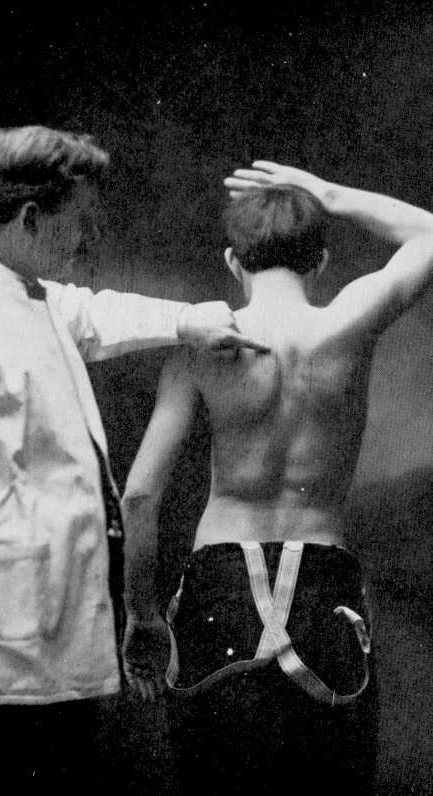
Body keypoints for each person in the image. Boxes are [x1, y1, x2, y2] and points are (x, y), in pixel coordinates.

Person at [0, 125, 267, 788]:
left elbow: (93, 315)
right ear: (30, 218)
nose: (91, 238)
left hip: (46, 652)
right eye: (81, 221)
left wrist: (187, 320)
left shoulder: (18, 286)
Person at [121, 161, 433, 795]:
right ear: (321, 261)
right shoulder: (349, 323)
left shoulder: (199, 346)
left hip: (221, 586)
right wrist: (328, 193)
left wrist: (141, 611)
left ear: (233, 261)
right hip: (324, 583)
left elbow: (140, 495)